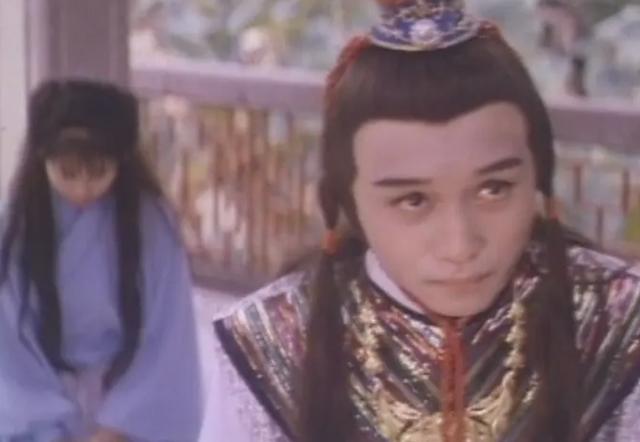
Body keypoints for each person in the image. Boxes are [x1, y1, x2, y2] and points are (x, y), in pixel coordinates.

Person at [199, 1, 640, 440]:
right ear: (349, 203)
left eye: (494, 189)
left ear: (539, 178)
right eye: (413, 200)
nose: (459, 245)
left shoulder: (620, 320)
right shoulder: (269, 341)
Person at [0, 79, 202, 441]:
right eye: (67, 173)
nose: (82, 189)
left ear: (120, 163)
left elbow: (168, 340)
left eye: (98, 173)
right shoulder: (14, 229)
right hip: (33, 413)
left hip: (130, 411)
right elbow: (10, 348)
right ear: (42, 160)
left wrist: (117, 428)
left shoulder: (152, 225)